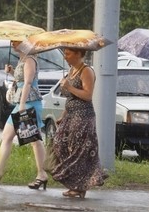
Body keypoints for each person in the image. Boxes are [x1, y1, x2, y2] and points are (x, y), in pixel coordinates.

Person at [0, 40, 48, 190]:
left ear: (25, 43)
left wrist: (23, 105)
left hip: (29, 103)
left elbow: (28, 83)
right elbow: (21, 80)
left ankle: (42, 174)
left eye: (15, 42)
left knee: (33, 140)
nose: (12, 44)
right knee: (7, 136)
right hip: (21, 103)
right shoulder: (22, 59)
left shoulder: (30, 59)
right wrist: (12, 72)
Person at [52, 48, 105, 198]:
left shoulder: (86, 71)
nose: (65, 57)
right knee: (60, 143)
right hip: (71, 115)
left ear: (78, 54)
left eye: (68, 53)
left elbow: (87, 95)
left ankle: (79, 187)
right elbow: (71, 99)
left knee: (78, 152)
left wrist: (69, 87)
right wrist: (64, 115)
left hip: (83, 116)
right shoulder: (71, 71)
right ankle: (74, 183)